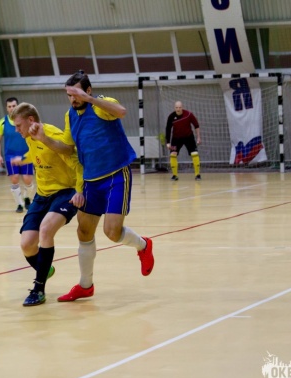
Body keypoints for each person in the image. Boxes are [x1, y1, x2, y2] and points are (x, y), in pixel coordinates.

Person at [58, 70, 155, 302]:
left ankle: (143, 245)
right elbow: (67, 149)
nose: (73, 99)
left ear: (88, 90)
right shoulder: (70, 115)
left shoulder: (101, 104)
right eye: (69, 95)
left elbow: (121, 111)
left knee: (111, 232)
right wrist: (42, 138)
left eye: (76, 94)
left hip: (115, 175)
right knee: (83, 231)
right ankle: (85, 285)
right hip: (90, 180)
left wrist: (90, 99)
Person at [10, 102, 84, 307]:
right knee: (27, 245)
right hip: (42, 195)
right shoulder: (29, 137)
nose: (17, 130)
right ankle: (45, 268)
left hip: (65, 192)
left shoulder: (53, 135)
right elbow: (37, 155)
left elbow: (76, 160)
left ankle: (38, 289)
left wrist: (80, 190)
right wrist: (23, 160)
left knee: (45, 230)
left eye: (18, 125)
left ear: (30, 120)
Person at [0, 97, 35, 213]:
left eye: (14, 106)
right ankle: (19, 204)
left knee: (28, 180)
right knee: (15, 178)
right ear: (6, 108)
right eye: (9, 106)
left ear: (18, 107)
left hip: (25, 155)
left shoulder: (26, 121)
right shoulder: (2, 122)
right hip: (10, 156)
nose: (12, 108)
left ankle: (27, 198)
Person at [165, 101, 201, 181]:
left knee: (194, 154)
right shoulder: (171, 116)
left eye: (179, 107)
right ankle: (174, 175)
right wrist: (168, 142)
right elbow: (168, 129)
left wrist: (198, 137)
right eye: (176, 107)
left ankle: (197, 175)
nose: (178, 109)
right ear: (174, 108)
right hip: (176, 139)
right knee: (173, 154)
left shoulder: (188, 114)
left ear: (182, 107)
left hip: (189, 137)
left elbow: (196, 125)